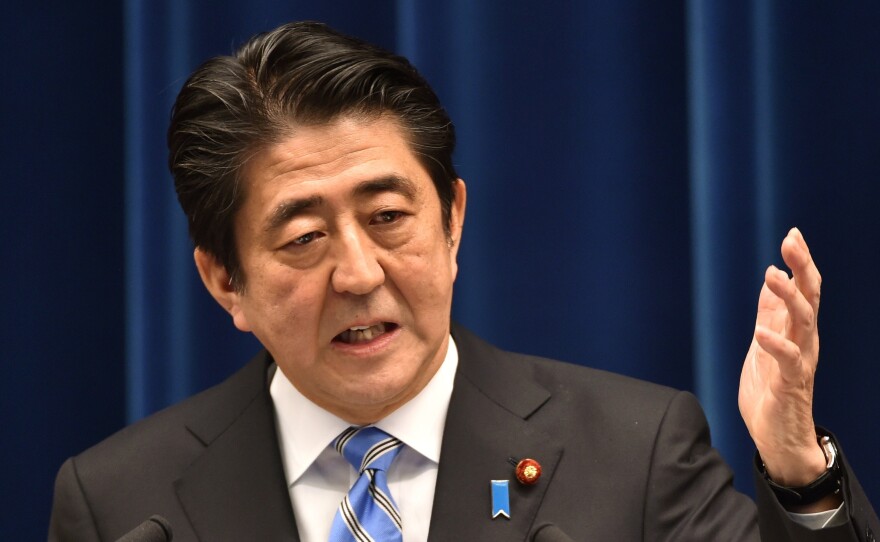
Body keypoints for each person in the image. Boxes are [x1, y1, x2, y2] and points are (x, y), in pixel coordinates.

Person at [49, 21, 877, 541]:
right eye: (303, 237)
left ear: (453, 221)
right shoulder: (122, 501)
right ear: (224, 280)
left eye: (388, 218)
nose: (359, 273)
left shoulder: (633, 453)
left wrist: (800, 472)